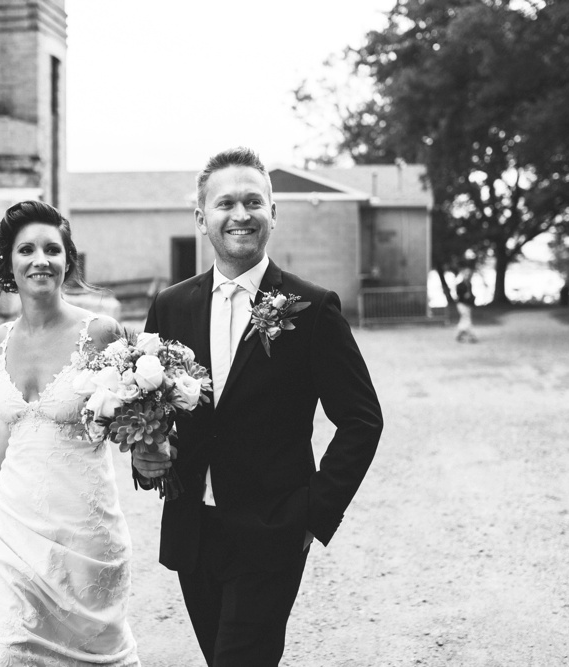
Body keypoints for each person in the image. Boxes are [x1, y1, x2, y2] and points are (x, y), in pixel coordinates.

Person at [132, 148, 383, 666]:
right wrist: (144, 458)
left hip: (273, 530)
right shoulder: (171, 306)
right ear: (201, 217)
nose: (240, 214)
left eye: (253, 201)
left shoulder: (312, 308)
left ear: (273, 213)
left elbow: (361, 419)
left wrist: (314, 512)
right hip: (192, 530)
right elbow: (151, 412)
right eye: (225, 203)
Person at [0, 201, 140, 666]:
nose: (40, 260)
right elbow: (16, 423)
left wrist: (154, 445)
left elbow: (137, 418)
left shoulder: (100, 333)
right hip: (12, 526)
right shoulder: (1, 339)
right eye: (27, 250)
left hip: (82, 535)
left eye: (52, 249)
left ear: (67, 260)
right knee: (6, 651)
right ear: (8, 264)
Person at [454, 268, 478, 343]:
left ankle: (460, 334)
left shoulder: (469, 284)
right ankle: (471, 335)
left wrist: (472, 298)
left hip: (467, 304)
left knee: (464, 319)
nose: (467, 276)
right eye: (466, 274)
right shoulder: (460, 285)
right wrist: (464, 296)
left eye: (469, 274)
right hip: (462, 304)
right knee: (466, 319)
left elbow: (470, 294)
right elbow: (459, 295)